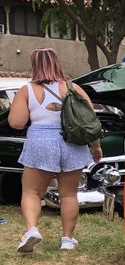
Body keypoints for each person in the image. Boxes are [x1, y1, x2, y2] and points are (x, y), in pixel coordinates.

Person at [7, 48, 101, 252]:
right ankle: (67, 240)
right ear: (56, 63)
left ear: (34, 65)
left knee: (32, 191)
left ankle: (32, 230)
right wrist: (96, 146)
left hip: (40, 142)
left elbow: (16, 122)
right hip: (71, 142)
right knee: (68, 194)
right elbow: (90, 121)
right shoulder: (73, 88)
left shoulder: (27, 90)